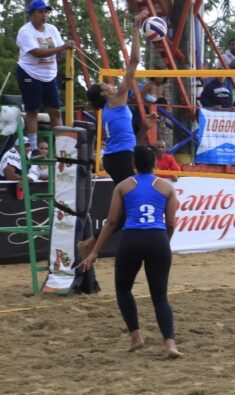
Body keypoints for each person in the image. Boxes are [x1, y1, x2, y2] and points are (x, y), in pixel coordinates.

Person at [77, 145, 182, 358]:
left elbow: (112, 221)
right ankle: (170, 344)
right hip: (157, 239)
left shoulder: (124, 186)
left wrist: (95, 251)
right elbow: (171, 223)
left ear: (134, 163)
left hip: (132, 239)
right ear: (155, 163)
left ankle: (136, 337)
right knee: (160, 297)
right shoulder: (167, 187)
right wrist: (164, 243)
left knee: (123, 290)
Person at [79, 11, 155, 258]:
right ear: (104, 94)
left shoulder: (111, 108)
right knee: (127, 209)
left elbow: (129, 137)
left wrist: (145, 128)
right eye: (106, 86)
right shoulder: (117, 100)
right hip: (119, 156)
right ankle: (91, 244)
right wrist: (135, 27)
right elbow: (133, 61)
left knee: (127, 207)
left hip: (116, 156)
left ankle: (96, 244)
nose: (111, 84)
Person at [17, 0, 74, 145]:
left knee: (55, 111)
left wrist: (64, 50)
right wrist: (61, 48)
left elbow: (58, 52)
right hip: (30, 73)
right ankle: (34, 147)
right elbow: (38, 53)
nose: (44, 15)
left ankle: (62, 147)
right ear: (31, 14)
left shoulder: (52, 29)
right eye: (40, 12)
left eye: (46, 12)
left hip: (49, 75)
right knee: (33, 110)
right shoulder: (25, 32)